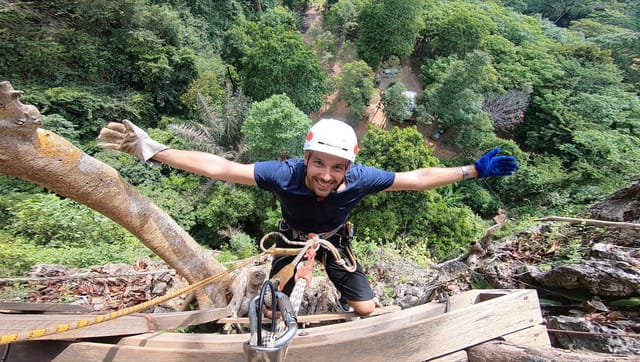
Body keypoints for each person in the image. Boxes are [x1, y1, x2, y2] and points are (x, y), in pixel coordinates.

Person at [98, 118, 518, 315]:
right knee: (272, 309)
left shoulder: (362, 178)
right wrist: (152, 149)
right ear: (306, 158)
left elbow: (417, 177)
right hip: (292, 239)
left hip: (335, 241)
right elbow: (220, 167)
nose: (327, 175)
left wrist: (473, 170)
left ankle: (332, 307)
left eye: (337, 168)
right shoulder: (285, 174)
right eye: (319, 164)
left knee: (368, 309)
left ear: (350, 167)